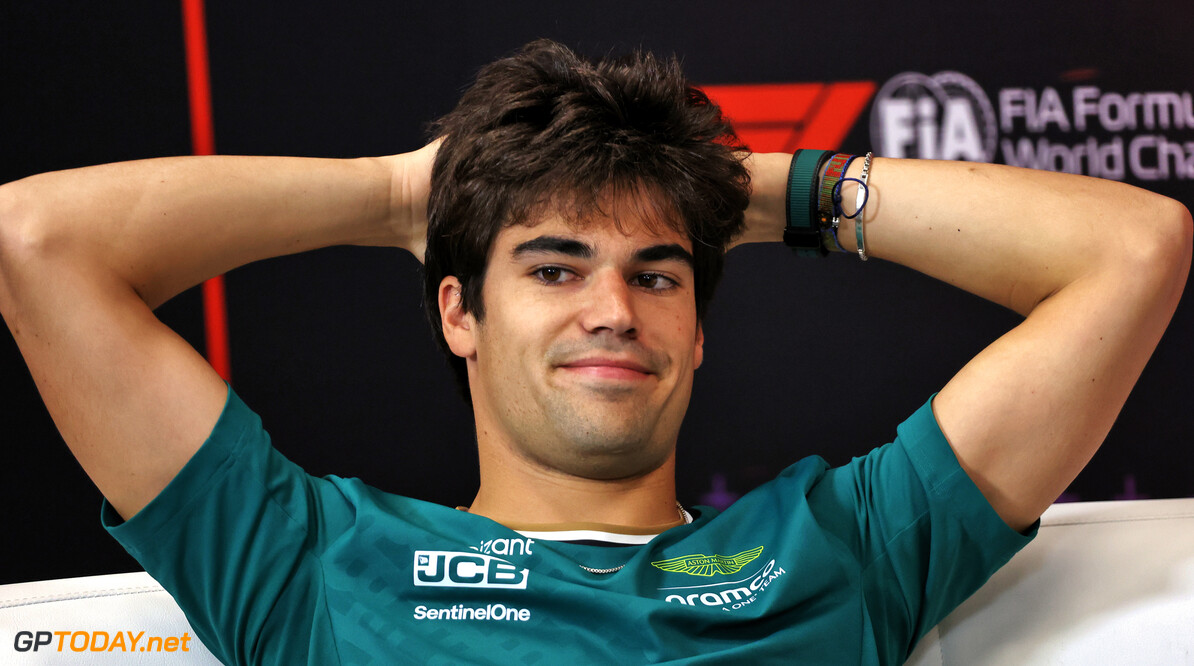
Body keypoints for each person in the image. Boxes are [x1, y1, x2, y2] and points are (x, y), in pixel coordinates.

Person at [0, 39, 1188, 665]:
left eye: (657, 274)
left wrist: (737, 190)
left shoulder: (844, 547)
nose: (612, 308)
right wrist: (401, 196)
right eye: (555, 267)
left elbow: (1134, 250)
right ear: (458, 311)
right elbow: (35, 242)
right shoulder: (308, 564)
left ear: (698, 329)